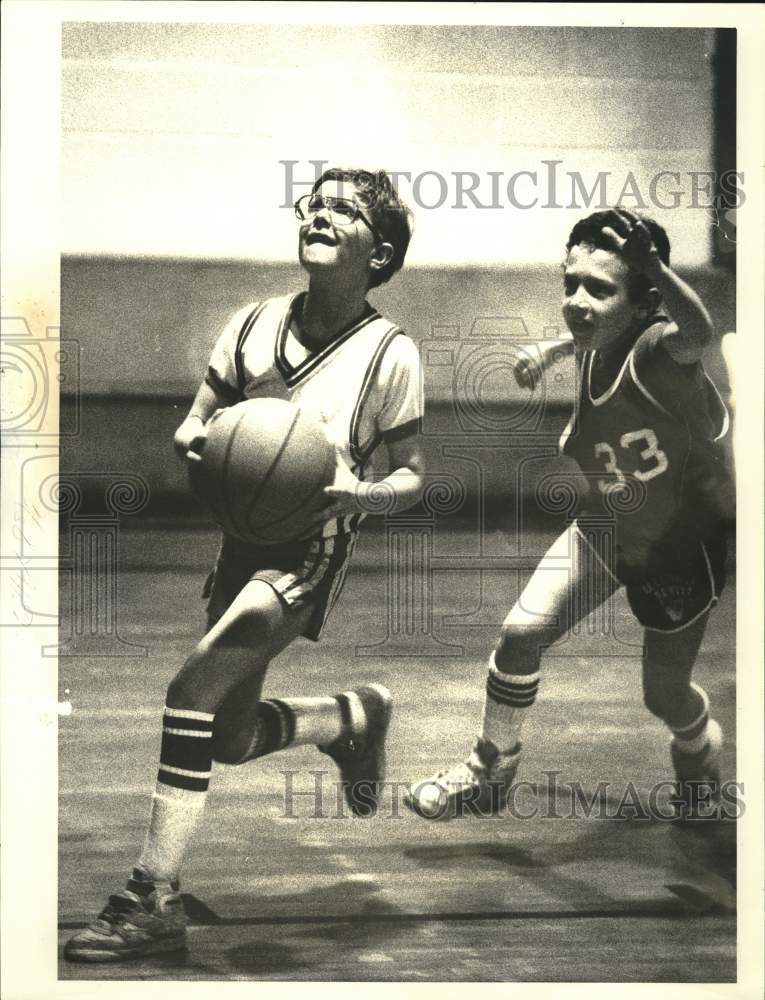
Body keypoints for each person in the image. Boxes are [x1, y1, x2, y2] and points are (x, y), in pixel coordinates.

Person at [65, 167, 425, 961]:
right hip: (242, 546)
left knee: (188, 690)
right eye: (316, 203)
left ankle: (149, 896)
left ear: (382, 252)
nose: (321, 213)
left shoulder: (389, 355)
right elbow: (191, 428)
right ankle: (349, 717)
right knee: (225, 735)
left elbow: (411, 477)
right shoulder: (252, 324)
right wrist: (206, 446)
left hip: (309, 549)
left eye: (346, 210)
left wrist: (355, 492)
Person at [405, 208, 730, 822]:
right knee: (520, 633)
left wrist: (656, 265)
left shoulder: (660, 353)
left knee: (663, 695)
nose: (577, 302)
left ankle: (698, 744)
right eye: (569, 284)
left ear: (645, 302)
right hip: (608, 524)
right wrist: (553, 349)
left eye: (599, 288)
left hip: (680, 547)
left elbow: (698, 332)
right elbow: (593, 329)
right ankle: (489, 769)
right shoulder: (596, 341)